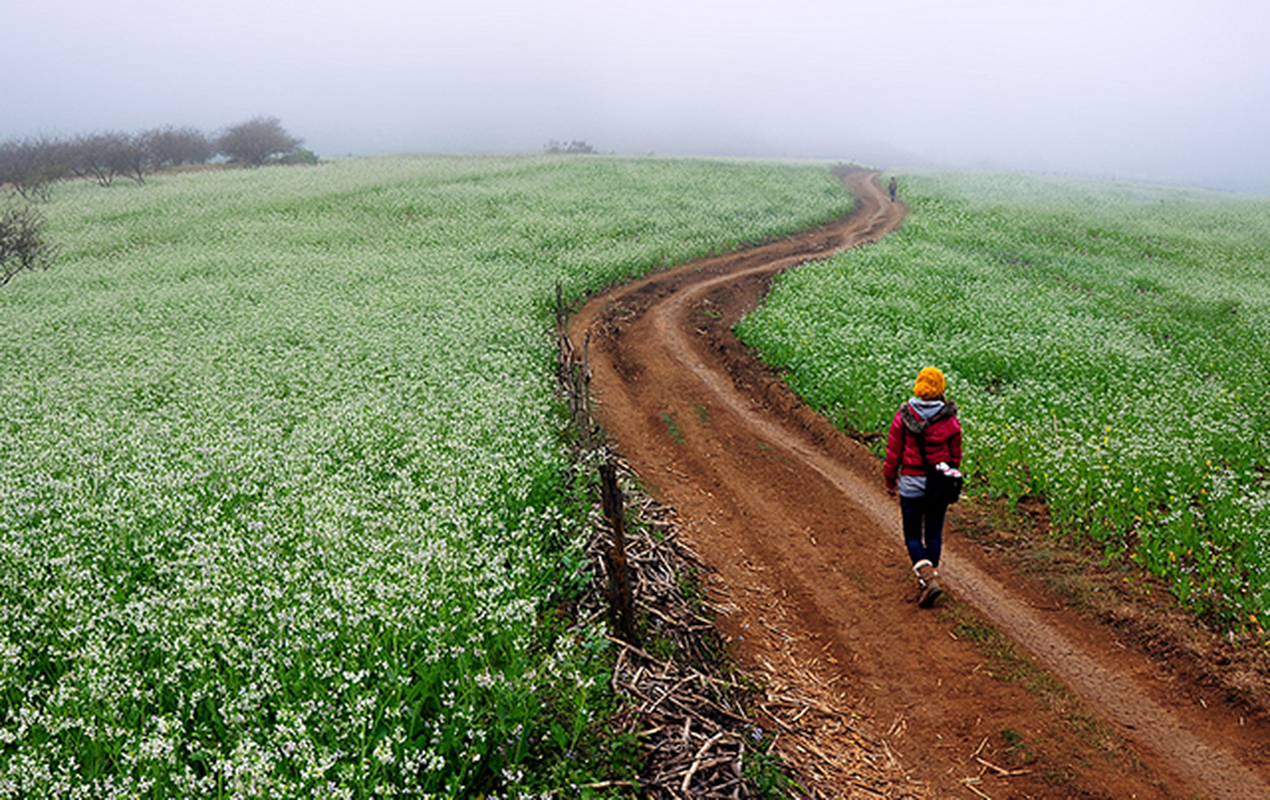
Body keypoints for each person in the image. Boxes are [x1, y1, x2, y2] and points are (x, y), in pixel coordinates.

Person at [883, 367, 962, 607]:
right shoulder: (949, 419)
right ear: (940, 389)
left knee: (913, 536)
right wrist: (951, 476)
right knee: (934, 533)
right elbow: (955, 456)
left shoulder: (904, 415)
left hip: (911, 482)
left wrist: (889, 479)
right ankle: (930, 578)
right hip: (938, 483)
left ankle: (927, 581)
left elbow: (893, 452)